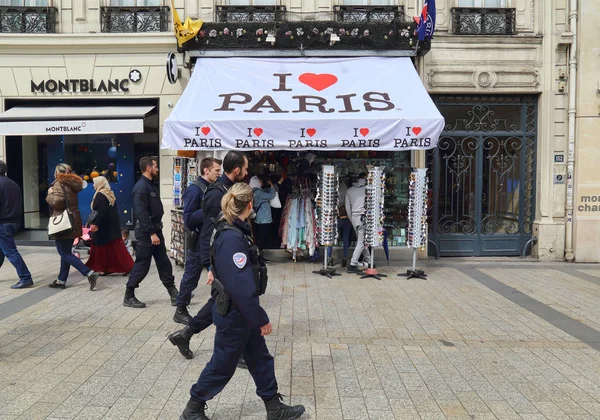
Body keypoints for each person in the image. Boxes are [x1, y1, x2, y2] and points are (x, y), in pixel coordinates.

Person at [178, 183, 305, 420]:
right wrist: (260, 318)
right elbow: (240, 286)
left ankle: (273, 407)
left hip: (240, 313)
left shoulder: (231, 228)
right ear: (250, 205)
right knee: (222, 365)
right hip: (236, 314)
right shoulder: (232, 238)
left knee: (260, 359)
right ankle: (193, 408)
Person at [168, 151, 248, 366]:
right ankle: (233, 351)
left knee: (220, 301)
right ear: (238, 169)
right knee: (230, 304)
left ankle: (185, 334)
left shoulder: (225, 190)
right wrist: (209, 265)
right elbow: (207, 232)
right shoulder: (215, 194)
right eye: (246, 168)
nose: (248, 172)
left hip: (226, 256)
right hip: (220, 258)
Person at [173, 157, 222, 325]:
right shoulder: (194, 190)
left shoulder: (212, 188)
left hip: (209, 238)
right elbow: (188, 219)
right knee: (191, 275)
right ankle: (180, 309)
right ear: (206, 170)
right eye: (217, 170)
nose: (219, 173)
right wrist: (209, 211)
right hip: (197, 241)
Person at [124, 157, 177, 308]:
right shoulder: (141, 187)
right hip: (147, 232)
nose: (157, 169)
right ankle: (129, 295)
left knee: (164, 262)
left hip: (155, 229)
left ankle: (173, 292)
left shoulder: (151, 185)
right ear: (148, 168)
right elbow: (141, 213)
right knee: (142, 264)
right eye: (155, 166)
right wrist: (151, 233)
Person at [46, 163, 99, 290]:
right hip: (73, 220)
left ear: (58, 172)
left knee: (63, 252)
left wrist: (50, 194)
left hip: (63, 222)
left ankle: (89, 273)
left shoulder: (59, 184)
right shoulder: (72, 184)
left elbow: (58, 202)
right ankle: (61, 280)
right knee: (66, 252)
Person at [85, 176, 134, 279]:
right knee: (114, 248)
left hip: (103, 227)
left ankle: (102, 268)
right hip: (111, 226)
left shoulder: (100, 195)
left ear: (100, 183)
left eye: (95, 183)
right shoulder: (109, 194)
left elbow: (102, 212)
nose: (93, 185)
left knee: (102, 249)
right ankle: (120, 267)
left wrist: (96, 224)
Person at [0, 160, 34, 289]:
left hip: (3, 223)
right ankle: (25, 277)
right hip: (14, 221)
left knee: (10, 252)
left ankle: (26, 277)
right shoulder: (13, 183)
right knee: (1, 250)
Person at [345, 172, 371, 273]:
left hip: (355, 218)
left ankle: (369, 260)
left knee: (363, 240)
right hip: (363, 218)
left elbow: (348, 208)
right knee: (361, 242)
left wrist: (351, 219)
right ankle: (353, 263)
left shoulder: (349, 190)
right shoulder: (367, 189)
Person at [327, 177, 352, 267]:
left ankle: (329, 257)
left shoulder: (332, 189)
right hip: (347, 217)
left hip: (336, 217)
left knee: (330, 238)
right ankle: (345, 257)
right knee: (345, 238)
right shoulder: (347, 190)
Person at [252, 174, 277, 253]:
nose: (262, 181)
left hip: (260, 219)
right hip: (263, 219)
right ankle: (259, 255)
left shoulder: (257, 191)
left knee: (261, 236)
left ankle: (260, 254)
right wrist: (272, 185)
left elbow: (267, 191)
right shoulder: (258, 193)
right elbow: (271, 195)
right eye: (260, 180)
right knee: (262, 237)